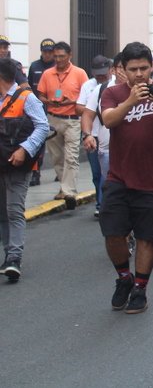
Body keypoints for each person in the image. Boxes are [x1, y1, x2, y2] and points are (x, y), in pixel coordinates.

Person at [99, 42, 153, 314]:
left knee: (146, 237)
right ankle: (123, 277)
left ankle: (140, 289)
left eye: (144, 68)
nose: (139, 74)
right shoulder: (113, 93)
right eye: (133, 69)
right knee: (113, 233)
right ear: (122, 69)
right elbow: (109, 120)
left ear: (152, 67)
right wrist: (131, 101)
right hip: (119, 177)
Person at [0, 58, 49, 282]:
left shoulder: (26, 98)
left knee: (14, 210)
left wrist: (24, 149)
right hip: (2, 162)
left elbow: (43, 126)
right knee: (2, 212)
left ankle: (14, 259)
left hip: (18, 164)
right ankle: (8, 254)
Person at [35, 41, 89, 205]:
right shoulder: (47, 74)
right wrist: (49, 101)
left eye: (62, 56)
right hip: (52, 118)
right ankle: (64, 186)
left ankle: (68, 192)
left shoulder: (79, 73)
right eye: (56, 56)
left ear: (70, 55)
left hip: (72, 120)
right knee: (57, 157)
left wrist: (70, 101)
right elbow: (40, 95)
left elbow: (87, 96)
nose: (58, 59)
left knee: (71, 156)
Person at [78, 55, 113, 216]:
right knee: (97, 173)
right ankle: (101, 202)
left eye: (103, 73)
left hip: (108, 137)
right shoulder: (89, 86)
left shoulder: (112, 86)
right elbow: (79, 109)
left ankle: (104, 204)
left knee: (109, 174)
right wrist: (93, 108)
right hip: (93, 134)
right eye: (97, 73)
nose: (100, 76)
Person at [25, 38, 56, 187]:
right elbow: (29, 86)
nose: (48, 55)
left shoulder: (57, 67)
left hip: (54, 109)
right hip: (36, 108)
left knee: (56, 142)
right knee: (38, 140)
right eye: (45, 52)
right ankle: (36, 172)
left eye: (50, 52)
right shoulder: (35, 66)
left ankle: (59, 170)